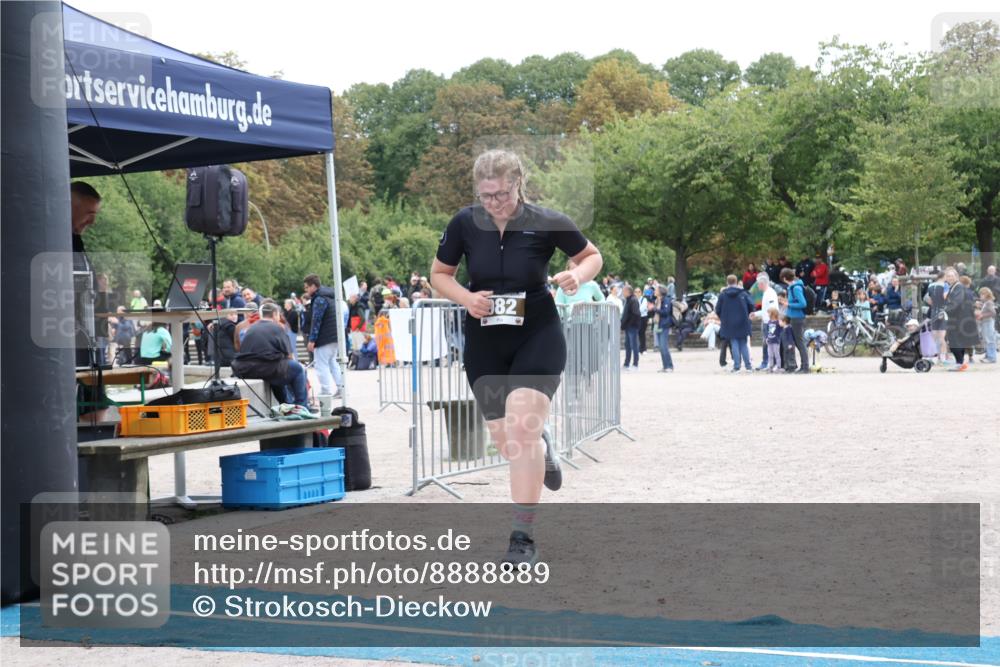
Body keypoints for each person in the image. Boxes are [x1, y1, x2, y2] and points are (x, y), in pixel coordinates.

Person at [430, 149, 602, 567]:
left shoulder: (548, 222)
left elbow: (591, 256)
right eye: (486, 196)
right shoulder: (464, 223)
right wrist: (467, 298)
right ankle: (542, 442)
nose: (494, 203)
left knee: (521, 429)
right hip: (485, 341)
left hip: (537, 333)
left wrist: (575, 276)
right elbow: (439, 274)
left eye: (502, 194)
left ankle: (522, 537)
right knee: (508, 441)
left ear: (518, 184)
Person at [231, 303, 309, 407]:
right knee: (298, 369)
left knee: (277, 373)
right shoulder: (277, 328)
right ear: (275, 314)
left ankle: (285, 405)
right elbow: (289, 355)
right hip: (267, 367)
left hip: (246, 369)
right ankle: (302, 406)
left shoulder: (250, 328)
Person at [70, 181, 102, 367]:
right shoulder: (49, 238)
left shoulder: (76, 240)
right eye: (90, 214)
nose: (93, 221)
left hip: (82, 332)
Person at [303, 274, 345, 398]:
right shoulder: (330, 296)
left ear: (313, 286)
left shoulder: (319, 299)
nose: (306, 290)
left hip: (324, 337)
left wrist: (312, 340)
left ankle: (326, 391)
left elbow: (317, 320)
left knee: (321, 364)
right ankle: (341, 388)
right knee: (333, 363)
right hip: (334, 335)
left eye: (306, 287)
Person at [716, 275, 754, 372]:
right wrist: (748, 315)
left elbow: (717, 309)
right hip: (743, 321)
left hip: (729, 323)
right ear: (736, 282)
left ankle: (737, 366)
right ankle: (748, 366)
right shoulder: (743, 294)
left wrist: (724, 319)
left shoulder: (723, 295)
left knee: (734, 344)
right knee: (744, 344)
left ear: (727, 282)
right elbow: (751, 305)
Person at [943, 268, 977, 371]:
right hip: (959, 317)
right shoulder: (954, 287)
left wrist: (945, 310)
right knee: (957, 341)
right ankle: (960, 363)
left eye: (952, 276)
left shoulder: (958, 287)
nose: (950, 278)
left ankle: (959, 363)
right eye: (948, 276)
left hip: (957, 318)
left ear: (956, 277)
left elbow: (956, 302)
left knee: (954, 341)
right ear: (946, 278)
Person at [781, 267, 810, 373]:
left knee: (800, 342)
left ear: (785, 278)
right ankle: (803, 366)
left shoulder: (796, 288)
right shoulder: (792, 287)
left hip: (797, 318)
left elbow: (803, 303)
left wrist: (789, 304)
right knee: (798, 342)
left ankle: (805, 366)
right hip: (793, 317)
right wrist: (787, 305)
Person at [749, 273, 779, 370]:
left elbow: (772, 308)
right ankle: (767, 362)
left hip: (770, 322)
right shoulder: (766, 293)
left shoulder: (770, 293)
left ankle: (768, 363)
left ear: (762, 284)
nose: (757, 286)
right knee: (766, 343)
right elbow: (766, 309)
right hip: (767, 321)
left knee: (768, 343)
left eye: (758, 284)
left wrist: (772, 322)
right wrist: (756, 314)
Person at [924, 271, 949, 363]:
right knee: (942, 336)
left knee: (933, 336)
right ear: (944, 276)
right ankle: (943, 358)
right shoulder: (945, 285)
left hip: (933, 311)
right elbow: (945, 296)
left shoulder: (930, 285)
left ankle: (932, 357)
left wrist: (933, 304)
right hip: (942, 311)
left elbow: (927, 298)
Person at [653, 285, 674, 372]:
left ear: (660, 292)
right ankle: (665, 366)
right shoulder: (657, 301)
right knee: (661, 347)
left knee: (664, 346)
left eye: (656, 290)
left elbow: (665, 312)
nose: (655, 291)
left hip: (664, 325)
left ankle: (669, 366)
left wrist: (654, 309)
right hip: (658, 325)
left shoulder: (666, 300)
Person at [620, 285, 642, 370]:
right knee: (628, 346)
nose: (622, 293)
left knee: (634, 345)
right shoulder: (629, 300)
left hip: (632, 327)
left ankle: (635, 364)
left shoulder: (633, 300)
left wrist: (629, 324)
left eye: (623, 291)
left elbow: (636, 314)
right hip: (628, 327)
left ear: (627, 291)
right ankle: (626, 364)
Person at [975, 287, 997, 363]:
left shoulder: (989, 303)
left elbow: (993, 313)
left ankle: (991, 357)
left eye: (981, 294)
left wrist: (982, 315)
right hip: (986, 323)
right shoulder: (986, 302)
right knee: (986, 340)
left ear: (986, 295)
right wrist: (981, 306)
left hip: (988, 322)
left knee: (989, 340)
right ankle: (988, 355)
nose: (980, 296)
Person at [764, 307, 782, 373]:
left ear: (773, 314)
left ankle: (778, 366)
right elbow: (768, 331)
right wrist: (767, 338)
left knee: (777, 354)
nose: (768, 314)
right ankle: (770, 367)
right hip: (770, 341)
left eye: (769, 313)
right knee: (770, 355)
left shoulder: (778, 322)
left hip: (776, 341)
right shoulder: (769, 322)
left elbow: (781, 330)